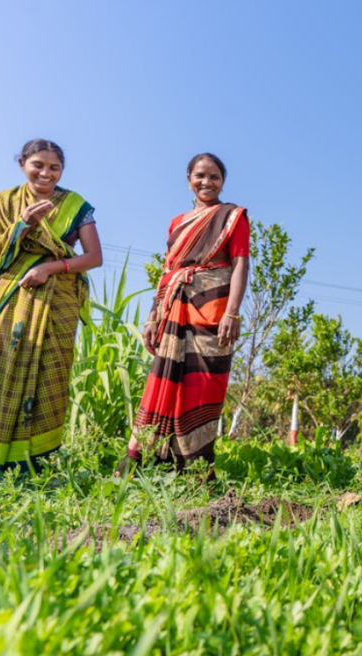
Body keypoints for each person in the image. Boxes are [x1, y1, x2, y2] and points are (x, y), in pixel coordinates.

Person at [0, 139, 103, 473]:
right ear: (22, 163)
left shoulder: (75, 205)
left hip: (58, 299)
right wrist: (22, 225)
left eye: (54, 168)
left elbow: (93, 257)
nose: (45, 173)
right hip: (14, 295)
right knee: (1, 368)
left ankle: (36, 463)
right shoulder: (5, 201)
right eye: (38, 165)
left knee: (50, 374)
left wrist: (49, 268)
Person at [121, 153, 250, 477]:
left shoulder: (233, 217)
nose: (206, 182)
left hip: (213, 307)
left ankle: (195, 466)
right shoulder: (177, 223)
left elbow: (240, 265)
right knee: (164, 379)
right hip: (173, 307)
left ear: (223, 181)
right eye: (200, 176)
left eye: (214, 177)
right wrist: (153, 317)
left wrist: (232, 314)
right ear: (188, 178)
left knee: (205, 382)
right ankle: (149, 460)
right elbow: (168, 271)